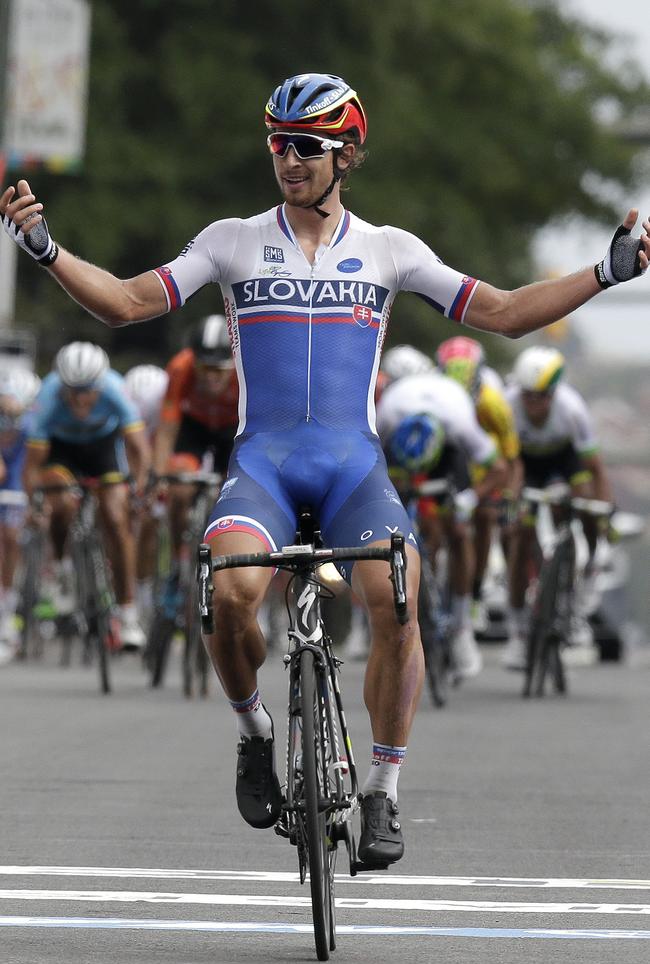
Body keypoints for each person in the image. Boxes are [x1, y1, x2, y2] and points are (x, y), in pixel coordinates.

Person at [1, 72, 647, 866]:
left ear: (348, 154)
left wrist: (605, 273)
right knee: (229, 591)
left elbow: (506, 313)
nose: (289, 160)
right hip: (263, 468)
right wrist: (46, 250)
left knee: (400, 597)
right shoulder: (231, 240)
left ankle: (383, 790)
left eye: (306, 146)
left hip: (353, 472)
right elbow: (128, 304)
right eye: (277, 144)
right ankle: (253, 732)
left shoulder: (389, 251)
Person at [376, 368, 507, 679]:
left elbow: (498, 469)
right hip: (401, 448)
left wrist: (471, 498)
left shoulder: (459, 425)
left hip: (447, 454)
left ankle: (462, 626)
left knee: (459, 532)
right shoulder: (386, 420)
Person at [21, 342, 151, 650]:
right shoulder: (49, 397)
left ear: (100, 384)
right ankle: (62, 566)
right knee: (60, 501)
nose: (80, 400)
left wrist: (138, 491)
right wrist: (35, 504)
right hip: (62, 451)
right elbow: (32, 467)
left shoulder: (116, 391)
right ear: (62, 386)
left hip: (103, 449)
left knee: (117, 520)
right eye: (73, 392)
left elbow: (139, 451)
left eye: (87, 391)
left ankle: (128, 614)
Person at [502, 345, 614, 668]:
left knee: (585, 504)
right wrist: (511, 501)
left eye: (540, 396)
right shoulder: (509, 406)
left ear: (553, 393)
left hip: (565, 462)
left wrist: (603, 512)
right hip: (525, 464)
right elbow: (510, 466)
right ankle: (518, 632)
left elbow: (596, 468)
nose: (532, 403)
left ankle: (588, 570)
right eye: (527, 395)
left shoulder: (572, 410)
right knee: (519, 535)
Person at [435, 335, 521, 632]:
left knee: (486, 518)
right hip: (450, 462)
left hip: (485, 467)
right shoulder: (435, 397)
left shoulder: (493, 403)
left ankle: (474, 592)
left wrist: (507, 495)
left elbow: (511, 458)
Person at [152, 315, 238, 572]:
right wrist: (159, 474)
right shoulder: (180, 368)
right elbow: (167, 428)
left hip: (232, 429)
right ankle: (177, 564)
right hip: (195, 427)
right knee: (179, 489)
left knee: (237, 492)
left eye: (219, 370)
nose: (211, 378)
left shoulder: (247, 368)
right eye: (204, 369)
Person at [0, 368, 41, 664]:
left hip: (19, 475)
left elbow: (32, 469)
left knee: (11, 537)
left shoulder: (34, 424)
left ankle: (7, 612)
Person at [123, 363, 169, 619]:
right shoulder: (124, 411)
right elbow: (127, 451)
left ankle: (176, 573)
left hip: (161, 461)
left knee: (155, 517)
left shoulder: (169, 411)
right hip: (131, 461)